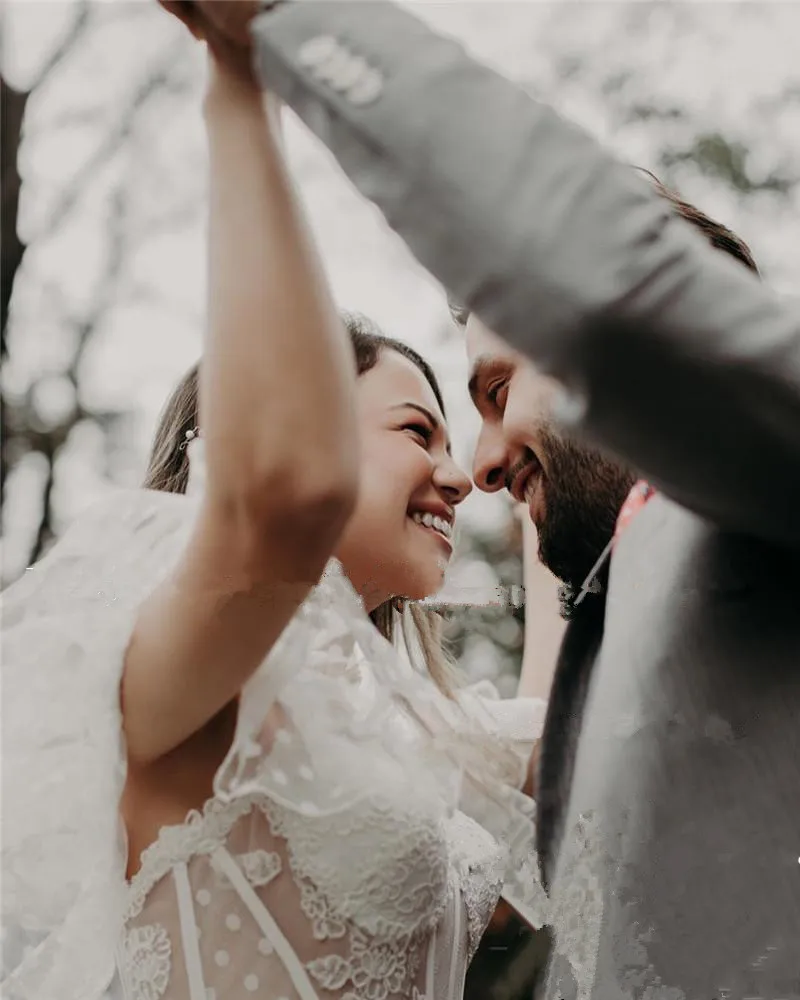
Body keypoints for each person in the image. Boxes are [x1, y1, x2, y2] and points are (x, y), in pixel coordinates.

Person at [160, 3, 800, 998]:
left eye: (495, 393)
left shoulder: (764, 449)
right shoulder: (644, 598)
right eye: (428, 426)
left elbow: (600, 287)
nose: (479, 465)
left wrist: (288, 27)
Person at [1, 33, 549, 1000]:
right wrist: (238, 75)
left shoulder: (404, 723)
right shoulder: (183, 648)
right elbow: (291, 490)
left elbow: (557, 746)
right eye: (419, 430)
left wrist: (550, 431)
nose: (461, 474)